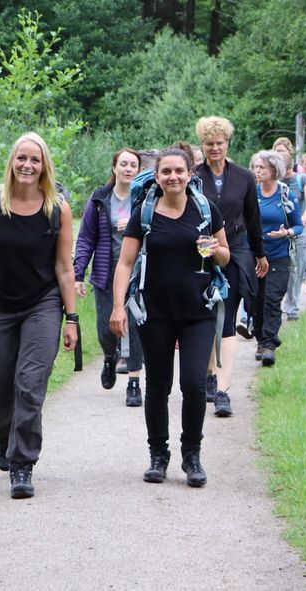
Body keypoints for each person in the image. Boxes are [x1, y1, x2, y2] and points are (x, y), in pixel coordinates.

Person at [0, 132, 78, 499]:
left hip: (41, 303)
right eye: (21, 158)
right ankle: (4, 432)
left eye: (35, 160)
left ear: (44, 167)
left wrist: (71, 318)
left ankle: (22, 464)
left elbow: (64, 267)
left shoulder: (57, 207)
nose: (27, 165)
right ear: (12, 161)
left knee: (29, 384)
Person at [110, 147, 229, 488]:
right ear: (157, 176)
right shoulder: (145, 213)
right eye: (166, 172)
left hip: (198, 312)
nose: (173, 177)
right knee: (157, 387)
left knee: (193, 384)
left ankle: (192, 454)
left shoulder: (207, 211)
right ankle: (158, 456)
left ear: (190, 174)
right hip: (155, 312)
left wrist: (213, 250)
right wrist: (119, 307)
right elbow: (125, 263)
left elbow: (224, 257)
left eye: (179, 171)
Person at [193, 116, 267, 419]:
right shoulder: (193, 177)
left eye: (219, 143)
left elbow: (253, 218)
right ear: (202, 145)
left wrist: (259, 254)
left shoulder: (244, 177)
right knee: (208, 316)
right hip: (200, 254)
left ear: (227, 144)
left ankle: (222, 390)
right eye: (209, 144)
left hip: (236, 251)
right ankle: (210, 373)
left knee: (226, 318)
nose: (214, 148)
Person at [74, 147, 144, 408]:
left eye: (133, 165)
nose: (128, 169)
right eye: (123, 164)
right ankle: (109, 356)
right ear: (114, 168)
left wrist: (137, 228)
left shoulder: (145, 198)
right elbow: (85, 238)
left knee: (135, 327)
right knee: (106, 329)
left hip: (137, 272)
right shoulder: (100, 198)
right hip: (106, 271)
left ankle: (134, 383)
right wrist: (78, 274)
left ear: (138, 170)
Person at [251, 150, 302, 367]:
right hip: (254, 255)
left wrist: (286, 233)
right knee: (256, 301)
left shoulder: (286, 195)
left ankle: (269, 345)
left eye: (261, 167)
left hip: (279, 255)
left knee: (272, 299)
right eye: (255, 167)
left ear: (274, 170)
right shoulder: (251, 194)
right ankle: (261, 340)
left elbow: (298, 225)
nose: (257, 171)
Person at [276, 141, 306, 321]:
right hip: (280, 231)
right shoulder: (274, 181)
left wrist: (304, 216)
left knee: (297, 269)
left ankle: (292, 306)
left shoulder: (302, 179)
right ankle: (278, 302)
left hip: (301, 229)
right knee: (284, 268)